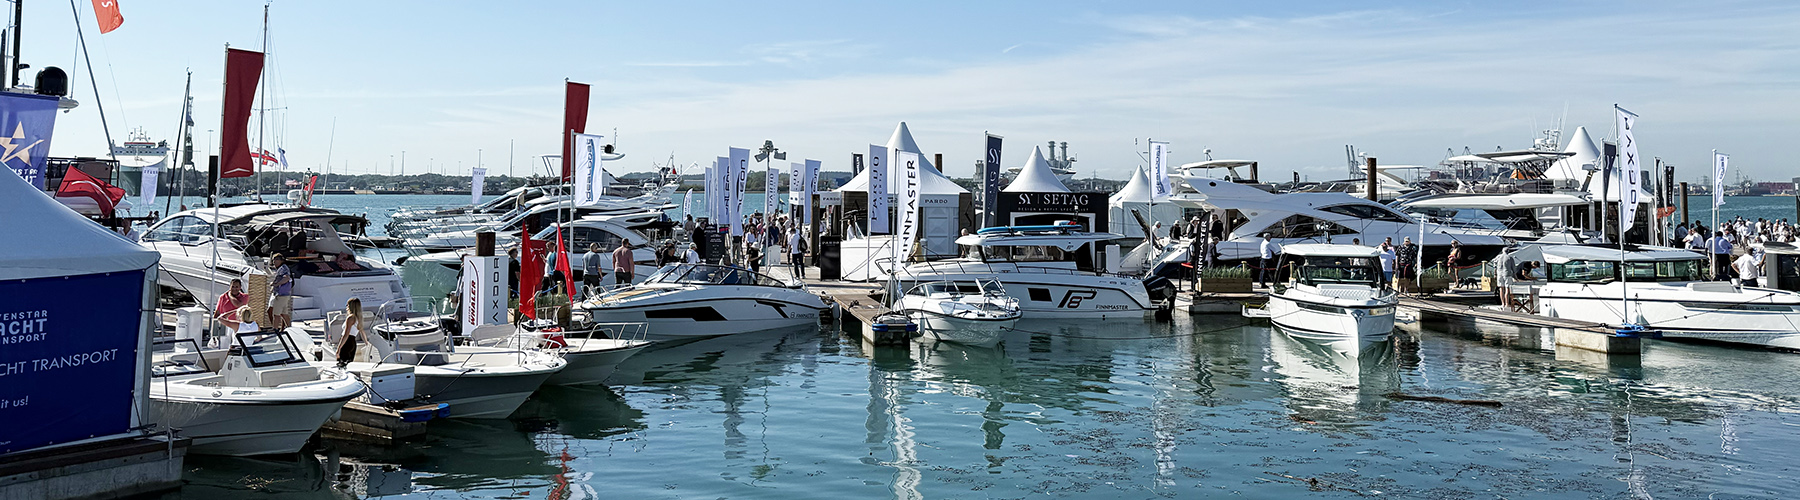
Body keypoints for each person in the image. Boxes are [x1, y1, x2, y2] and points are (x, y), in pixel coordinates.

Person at [335, 298, 365, 368]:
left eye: (347, 305)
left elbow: (346, 334)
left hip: (347, 342)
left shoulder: (350, 318)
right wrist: (366, 342)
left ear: (350, 306)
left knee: (342, 364)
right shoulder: (359, 318)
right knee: (349, 364)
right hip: (353, 343)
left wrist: (338, 349)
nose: (346, 307)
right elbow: (362, 332)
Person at [268, 254, 294, 329]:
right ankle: (289, 328)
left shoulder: (283, 268)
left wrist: (277, 284)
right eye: (273, 260)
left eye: (276, 259)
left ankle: (275, 329)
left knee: (276, 314)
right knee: (284, 313)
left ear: (281, 260)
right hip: (284, 295)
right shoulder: (282, 268)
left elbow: (286, 278)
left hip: (281, 295)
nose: (274, 261)